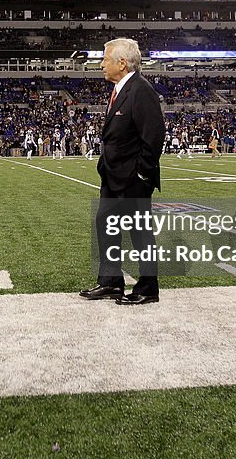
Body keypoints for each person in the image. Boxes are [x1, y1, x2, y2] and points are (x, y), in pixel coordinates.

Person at [80, 38, 166, 306]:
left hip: (132, 180)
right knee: (105, 224)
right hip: (113, 177)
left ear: (121, 63)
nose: (101, 64)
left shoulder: (141, 90)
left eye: (105, 59)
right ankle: (111, 282)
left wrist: (141, 175)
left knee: (140, 233)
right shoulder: (121, 88)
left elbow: (154, 136)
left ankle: (148, 287)